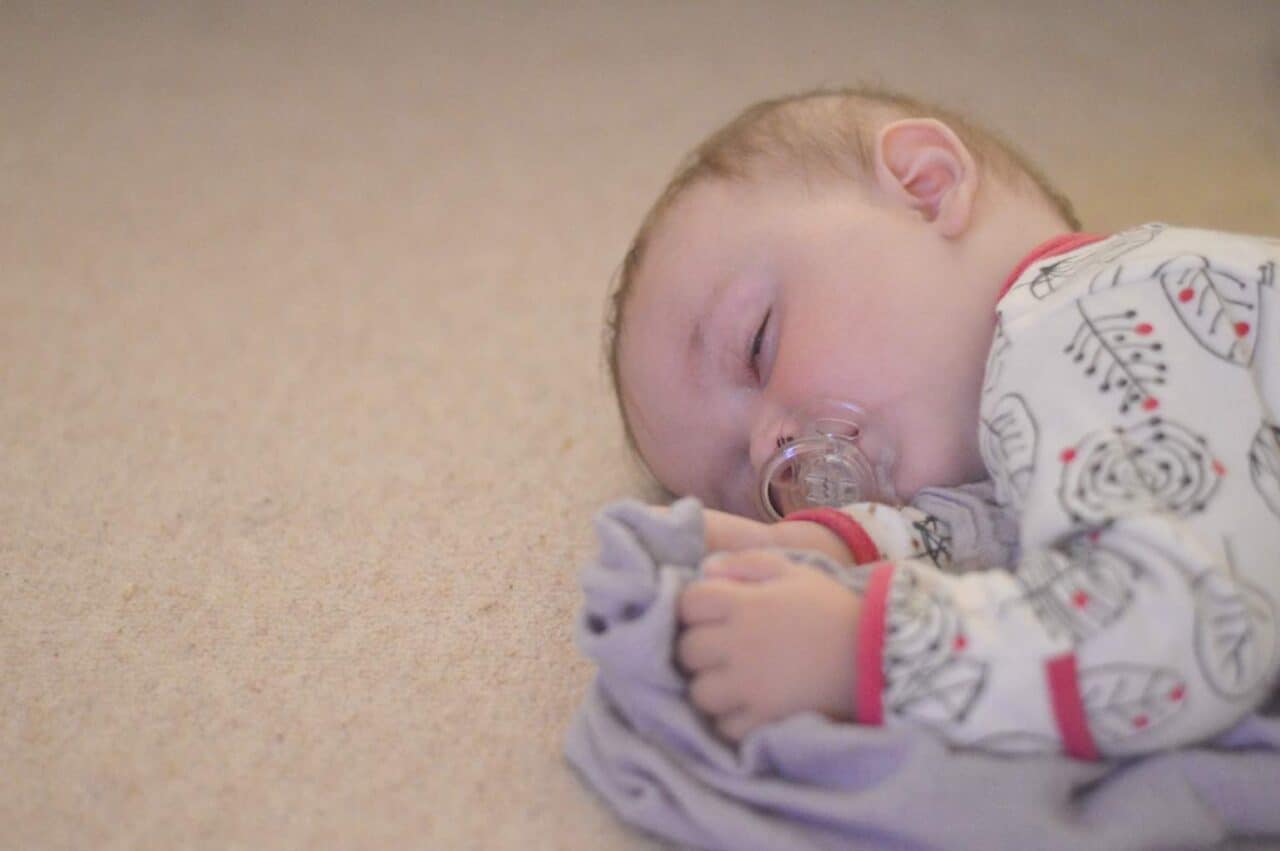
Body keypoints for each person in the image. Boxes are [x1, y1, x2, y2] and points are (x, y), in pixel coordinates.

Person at [605, 87, 1280, 758]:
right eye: (746, 487)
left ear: (926, 186)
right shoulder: (1039, 414)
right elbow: (1006, 530)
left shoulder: (1103, 313)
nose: (767, 454)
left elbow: (1175, 633)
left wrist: (861, 650)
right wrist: (833, 550)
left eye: (755, 344)